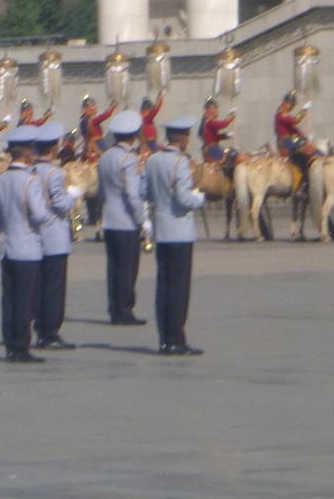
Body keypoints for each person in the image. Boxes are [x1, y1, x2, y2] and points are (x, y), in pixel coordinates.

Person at [145, 115, 207, 355]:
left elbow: (145, 192)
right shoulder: (180, 162)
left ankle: (164, 337)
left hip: (162, 231)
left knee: (164, 287)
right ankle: (177, 339)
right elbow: (183, 199)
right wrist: (198, 199)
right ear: (182, 139)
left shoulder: (152, 160)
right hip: (180, 232)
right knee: (179, 289)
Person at [0, 126, 48, 362]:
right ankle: (21, 346)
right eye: (31, 149)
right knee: (25, 300)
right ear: (25, 152)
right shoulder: (30, 181)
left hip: (7, 245)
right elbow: (39, 214)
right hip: (27, 246)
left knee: (10, 299)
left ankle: (10, 344)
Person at [31, 122, 80, 351]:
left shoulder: (32, 171)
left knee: (41, 286)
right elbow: (60, 203)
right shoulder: (54, 172)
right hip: (55, 236)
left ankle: (41, 328)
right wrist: (73, 196)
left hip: (37, 236)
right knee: (54, 288)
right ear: (53, 148)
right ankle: (50, 332)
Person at [96, 112, 147, 326]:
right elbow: (133, 196)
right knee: (128, 268)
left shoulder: (105, 156)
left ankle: (114, 308)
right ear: (133, 135)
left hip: (109, 219)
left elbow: (101, 192)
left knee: (114, 267)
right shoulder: (128, 159)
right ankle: (124, 310)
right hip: (126, 221)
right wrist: (142, 220)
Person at [199, 99, 238, 180]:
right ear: (211, 110)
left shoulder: (206, 122)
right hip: (213, 150)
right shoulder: (209, 122)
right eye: (215, 109)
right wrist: (231, 116)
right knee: (232, 156)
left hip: (212, 148)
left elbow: (215, 137)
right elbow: (223, 124)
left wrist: (225, 136)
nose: (217, 111)